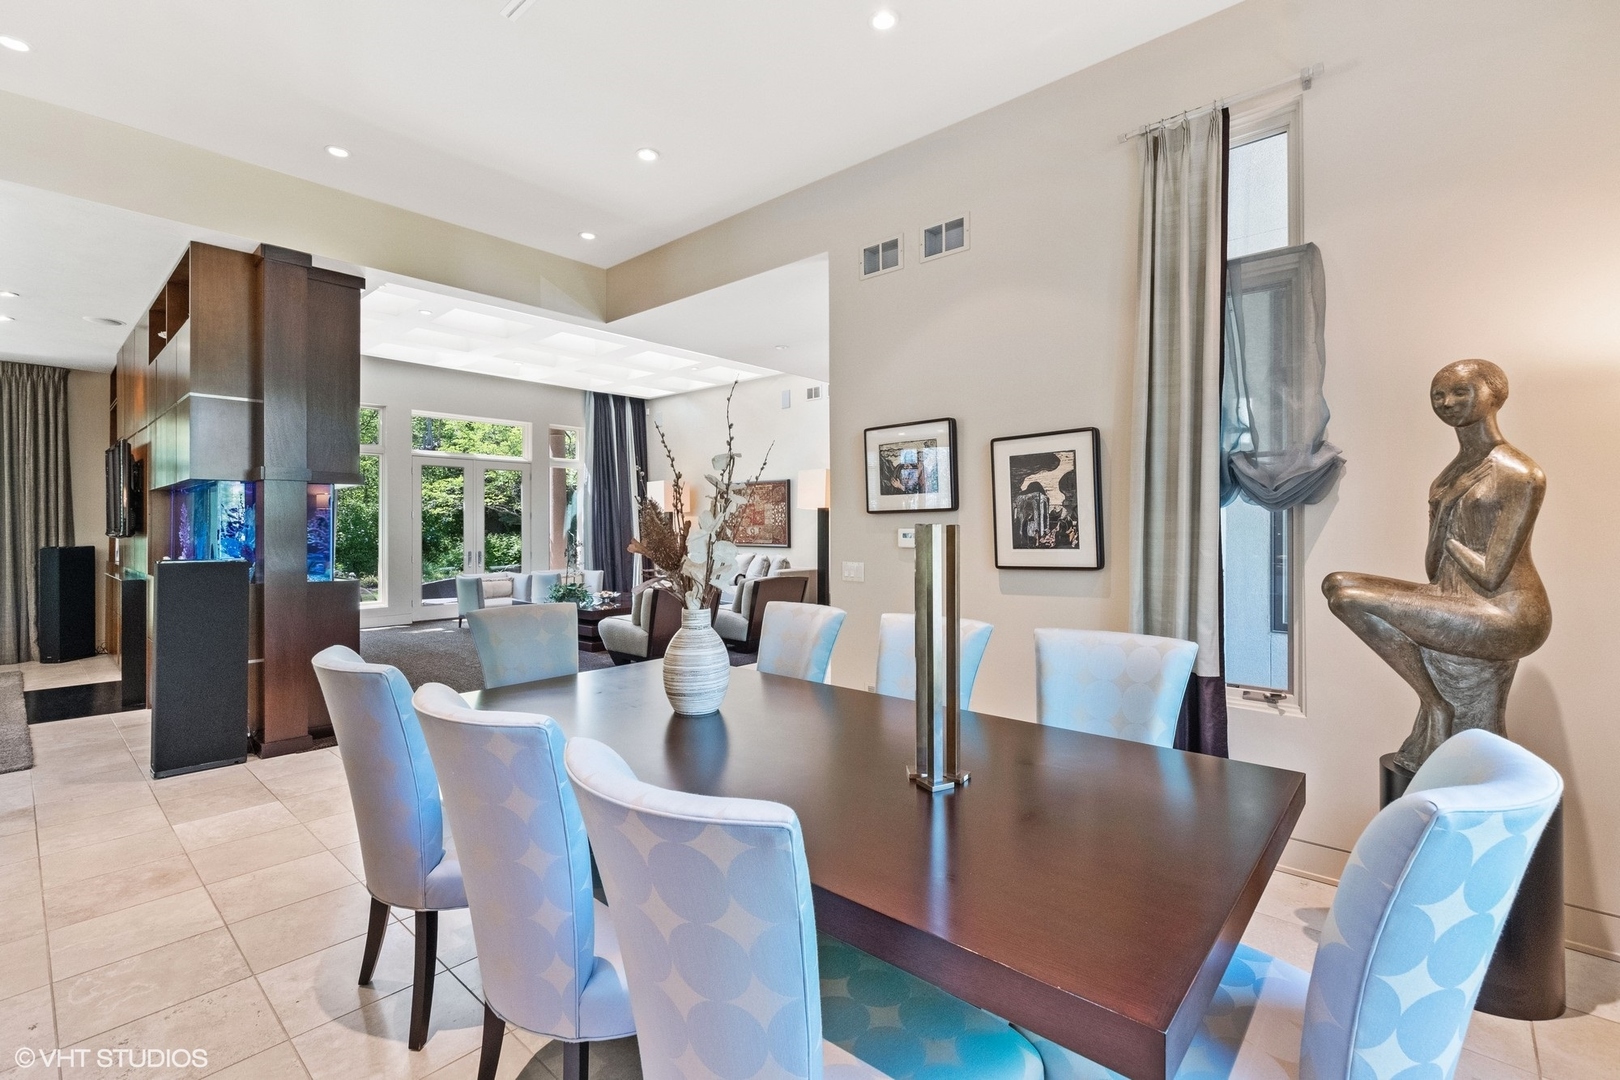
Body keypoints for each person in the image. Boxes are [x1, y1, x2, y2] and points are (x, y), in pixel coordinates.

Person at [1322, 359, 1549, 770]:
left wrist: (1448, 530)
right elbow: (1432, 569)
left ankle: (1436, 704)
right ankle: (1434, 704)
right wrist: (1443, 512)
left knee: (1350, 600)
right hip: (1457, 599)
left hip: (1508, 613)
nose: (1446, 402)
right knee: (1336, 584)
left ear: (1494, 394)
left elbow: (1491, 572)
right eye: (1438, 395)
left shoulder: (1520, 473)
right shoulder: (1449, 475)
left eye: (1460, 392)